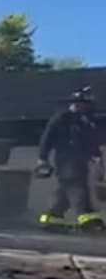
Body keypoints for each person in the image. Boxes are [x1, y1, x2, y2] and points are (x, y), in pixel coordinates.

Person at [37, 87, 103, 229]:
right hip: (66, 161)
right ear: (74, 102)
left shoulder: (85, 121)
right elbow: (47, 138)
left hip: (81, 162)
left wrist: (97, 158)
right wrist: (42, 158)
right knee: (78, 189)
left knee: (64, 192)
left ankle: (52, 219)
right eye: (81, 102)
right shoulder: (62, 118)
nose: (84, 106)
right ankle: (88, 219)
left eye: (86, 103)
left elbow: (91, 141)